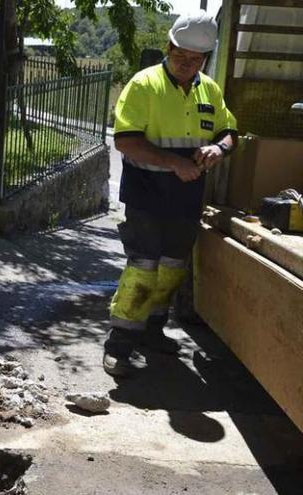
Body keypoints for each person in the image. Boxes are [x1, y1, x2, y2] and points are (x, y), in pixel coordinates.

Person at [103, 11, 237, 377]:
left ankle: (152, 331)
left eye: (195, 60)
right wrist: (173, 163)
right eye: (181, 57)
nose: (186, 65)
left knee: (172, 270)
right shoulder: (144, 85)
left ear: (205, 59)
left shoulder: (210, 89)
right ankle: (120, 345)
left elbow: (229, 132)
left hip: (186, 199)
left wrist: (218, 150)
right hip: (147, 195)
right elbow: (126, 141)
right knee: (144, 267)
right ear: (169, 47)